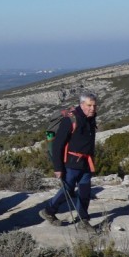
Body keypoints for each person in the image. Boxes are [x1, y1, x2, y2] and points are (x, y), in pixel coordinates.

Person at [40, 91, 99, 229]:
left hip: (85, 162)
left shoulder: (91, 118)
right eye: (89, 105)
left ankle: (83, 220)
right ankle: (48, 211)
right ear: (82, 104)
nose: (92, 108)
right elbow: (58, 145)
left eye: (94, 106)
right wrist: (58, 168)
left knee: (85, 191)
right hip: (71, 163)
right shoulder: (70, 120)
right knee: (67, 190)